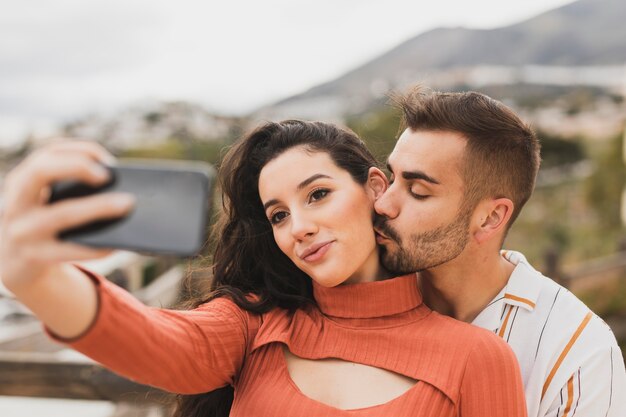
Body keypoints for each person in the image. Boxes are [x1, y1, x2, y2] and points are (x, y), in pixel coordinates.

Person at [0, 120, 527, 416]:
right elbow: (152, 339)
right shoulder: (255, 327)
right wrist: (33, 276)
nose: (298, 226)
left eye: (317, 195)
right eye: (279, 215)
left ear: (372, 189)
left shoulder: (478, 360)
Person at [373, 86, 626, 417]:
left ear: (491, 218)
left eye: (418, 191)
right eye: (391, 179)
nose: (383, 203)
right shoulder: (362, 298)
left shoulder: (577, 351)